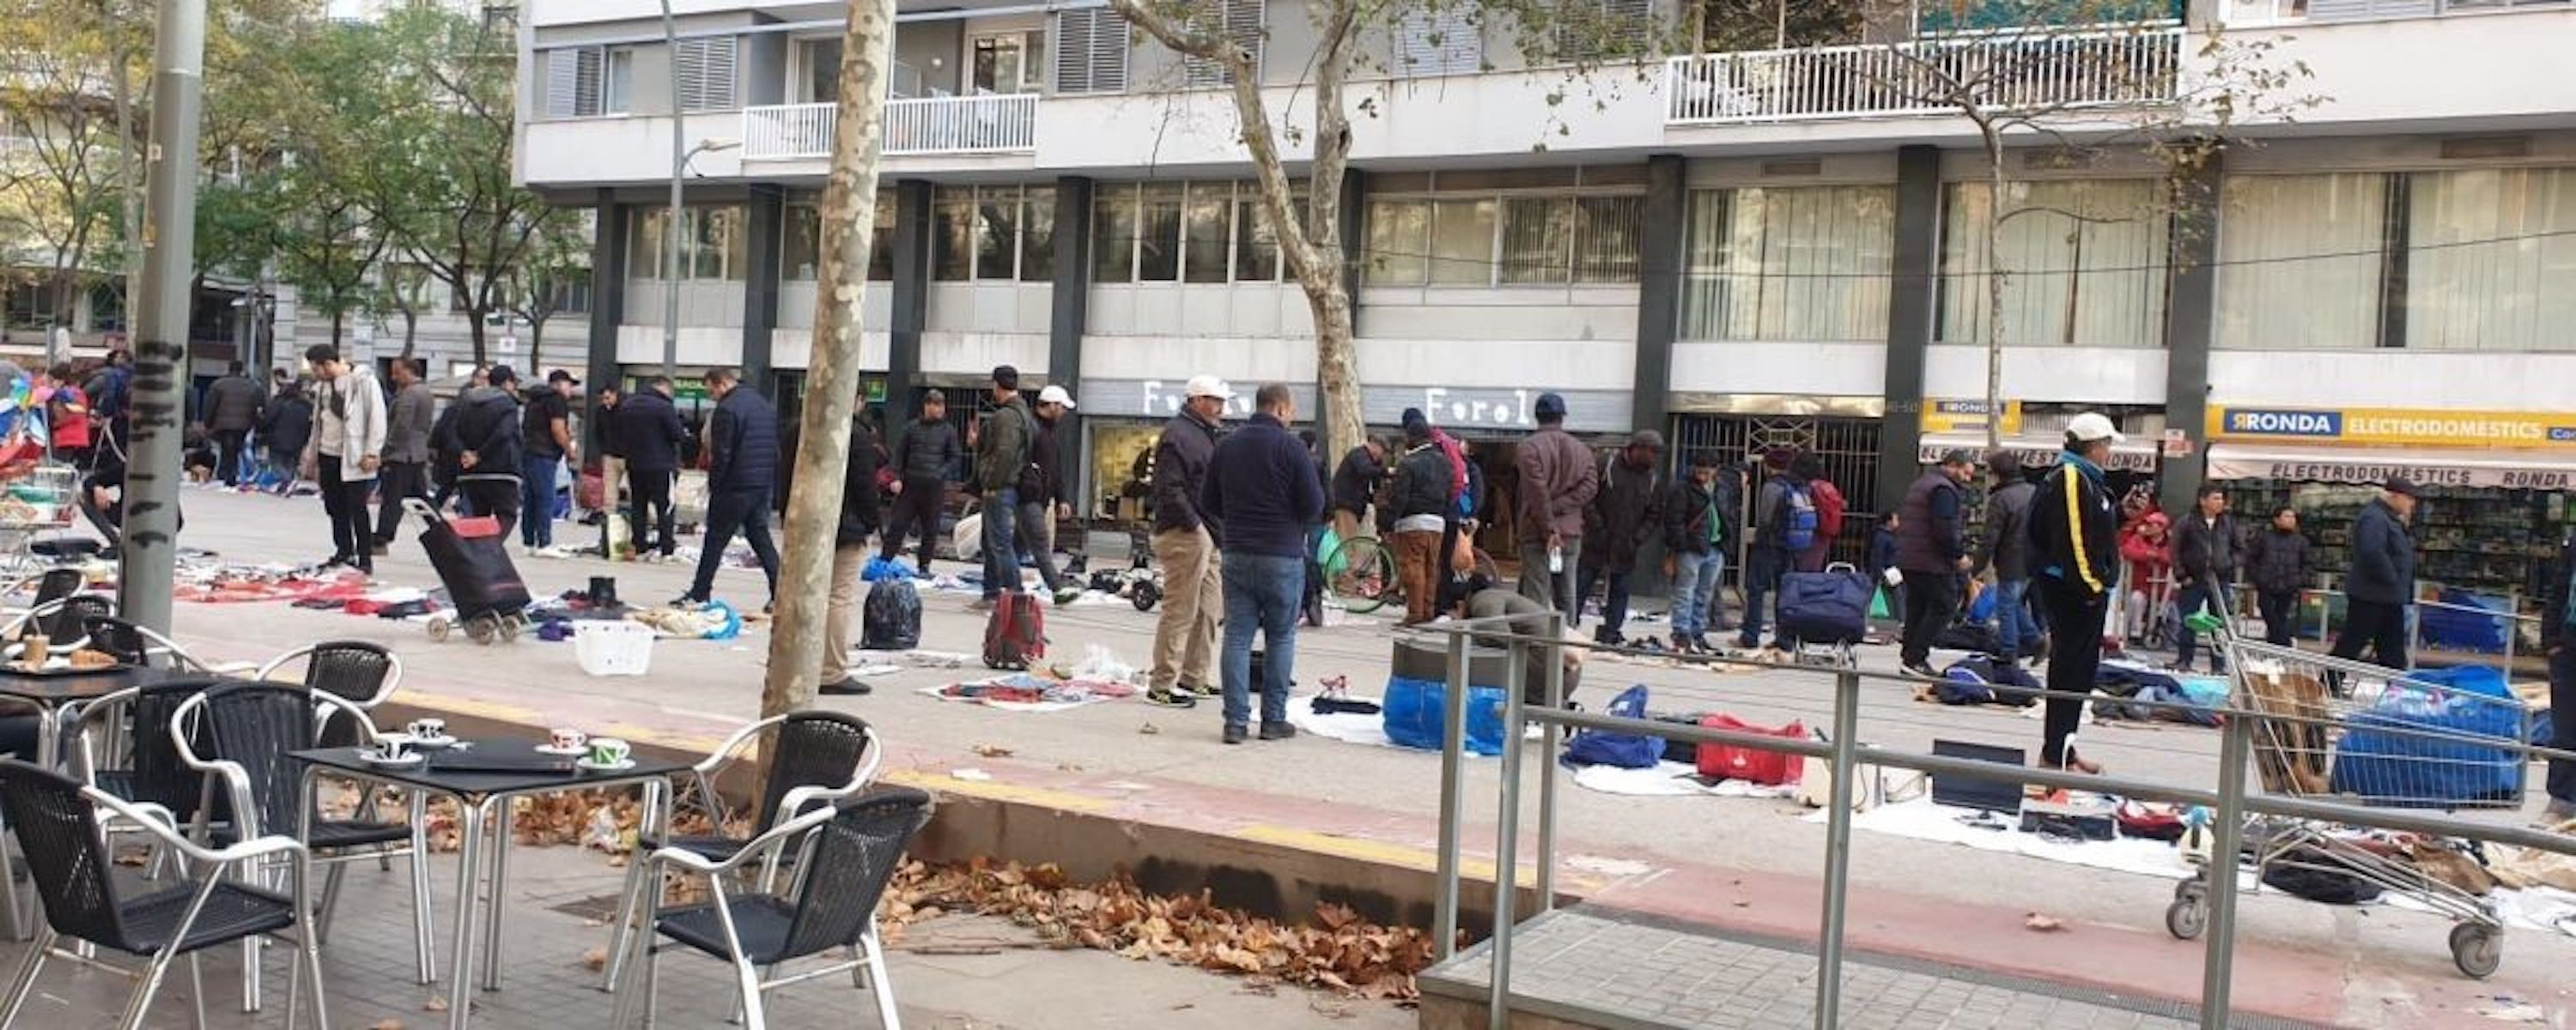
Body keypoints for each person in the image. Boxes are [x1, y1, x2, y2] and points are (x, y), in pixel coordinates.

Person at [1201, 384, 1323, 743]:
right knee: (1281, 637)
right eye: (1292, 409)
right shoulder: (1292, 448)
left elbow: (1209, 499)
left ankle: (1235, 722)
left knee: (1237, 636)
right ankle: (1273, 719)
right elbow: (1314, 504)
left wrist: (1237, 520)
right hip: (1282, 553)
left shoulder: (1227, 445)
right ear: (1281, 408)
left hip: (1237, 550)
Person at [2029, 413, 2125, 776]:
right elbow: (2072, 540)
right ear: (2095, 446)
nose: (2109, 452)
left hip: (2080, 588)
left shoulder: (2086, 479)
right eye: (2107, 445)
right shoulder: (2071, 477)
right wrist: (2090, 588)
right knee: (2070, 671)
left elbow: (2092, 532)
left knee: (2079, 673)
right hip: (2073, 591)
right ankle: (2055, 753)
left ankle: (2064, 748)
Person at [1145, 376, 1230, 707]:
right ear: (1195, 400)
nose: (1220, 407)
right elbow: (1169, 488)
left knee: (1209, 608)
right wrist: (1195, 527)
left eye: (1221, 401)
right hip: (1185, 531)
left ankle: (1194, 676)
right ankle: (1162, 683)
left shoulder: (1206, 435)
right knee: (1181, 609)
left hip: (1207, 531)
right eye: (1213, 400)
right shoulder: (1178, 435)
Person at [678, 367, 781, 609]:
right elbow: (774, 449)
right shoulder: (763, 406)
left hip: (734, 484)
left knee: (715, 540)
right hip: (761, 482)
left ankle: (700, 592)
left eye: (711, 390)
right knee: (760, 536)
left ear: (721, 383)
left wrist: (715, 484)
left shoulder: (727, 409)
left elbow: (722, 453)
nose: (711, 396)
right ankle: (780, 590)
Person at [298, 344, 386, 574]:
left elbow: (377, 417)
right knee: (334, 506)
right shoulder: (323, 387)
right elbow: (318, 422)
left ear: (328, 364)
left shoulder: (363, 381)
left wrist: (372, 451)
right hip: (328, 454)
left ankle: (365, 558)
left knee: (357, 508)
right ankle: (344, 550)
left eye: (317, 369)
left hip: (354, 456)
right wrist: (311, 454)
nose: (315, 374)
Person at [1513, 392, 1597, 615]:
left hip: (1535, 530)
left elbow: (1535, 492)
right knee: (1567, 592)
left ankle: (1537, 643)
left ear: (1537, 416)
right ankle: (1568, 642)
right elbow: (1590, 486)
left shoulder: (1528, 448)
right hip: (1570, 531)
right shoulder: (1582, 450)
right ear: (1562, 417)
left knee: (1537, 593)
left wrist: (1549, 525)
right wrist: (1561, 507)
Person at [821, 406, 885, 698]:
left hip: (806, 524)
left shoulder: (798, 427)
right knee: (838, 596)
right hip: (846, 525)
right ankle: (830, 670)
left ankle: (792, 663)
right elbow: (864, 484)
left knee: (806, 594)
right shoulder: (855, 435)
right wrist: (871, 522)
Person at [1446, 576, 1585, 707]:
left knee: (1477, 651)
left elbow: (1496, 634)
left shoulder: (1483, 599)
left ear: (1460, 604)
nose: (1454, 620)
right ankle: (1560, 707)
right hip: (1562, 672)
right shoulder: (1506, 597)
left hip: (1550, 670)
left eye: (1452, 616)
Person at [1895, 450, 1975, 676]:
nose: (1968, 479)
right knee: (1945, 604)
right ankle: (1916, 657)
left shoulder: (1923, 483)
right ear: (1952, 466)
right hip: (1931, 560)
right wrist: (1958, 556)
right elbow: (1944, 529)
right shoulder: (1943, 490)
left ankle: (1909, 657)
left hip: (1911, 557)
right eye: (1966, 473)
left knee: (1918, 607)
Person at [1578, 430, 1662, 645]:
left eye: (1657, 452)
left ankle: (1612, 631)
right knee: (1581, 585)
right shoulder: (1606, 465)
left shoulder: (1651, 478)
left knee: (1620, 590)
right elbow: (1587, 500)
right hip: (1597, 540)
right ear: (1636, 448)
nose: (1654, 457)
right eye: (1651, 451)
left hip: (1626, 545)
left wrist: (1637, 539)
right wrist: (1598, 529)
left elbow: (1654, 514)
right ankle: (1570, 627)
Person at [2330, 476, 2419, 671]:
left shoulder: (2389, 518)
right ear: (2395, 496)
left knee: (2392, 650)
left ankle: (2396, 691)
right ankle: (2328, 685)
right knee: (2352, 643)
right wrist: (2392, 578)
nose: (2412, 503)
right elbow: (2372, 551)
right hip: (2371, 595)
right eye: (2409, 498)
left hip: (2388, 597)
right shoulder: (2375, 517)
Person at [969, 366, 1035, 611]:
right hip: (1011, 485)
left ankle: (1013, 594)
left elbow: (1005, 452)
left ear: (996, 385)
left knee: (999, 543)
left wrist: (991, 483)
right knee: (992, 541)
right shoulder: (1023, 414)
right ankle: (991, 592)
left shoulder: (1006, 417)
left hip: (1001, 487)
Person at [1971, 451, 2044, 662]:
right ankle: (2034, 640)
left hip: (2011, 560)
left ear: (1997, 474)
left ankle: (2009, 651)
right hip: (2033, 560)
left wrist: (1977, 567)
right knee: (2012, 603)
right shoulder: (2034, 492)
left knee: (2005, 606)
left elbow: (1990, 538)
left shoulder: (2001, 499)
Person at [880, 390, 962, 573]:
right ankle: (885, 561)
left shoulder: (948, 431)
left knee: (931, 528)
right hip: (910, 485)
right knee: (898, 524)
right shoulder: (912, 428)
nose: (938, 409)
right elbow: (899, 454)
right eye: (934, 404)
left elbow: (955, 457)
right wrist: (895, 477)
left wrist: (940, 473)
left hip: (934, 487)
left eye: (940, 405)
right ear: (926, 406)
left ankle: (924, 565)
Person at [1386, 410, 1454, 627]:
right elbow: (1451, 491)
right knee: (1432, 569)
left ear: (1412, 438)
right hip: (1438, 522)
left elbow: (1400, 497)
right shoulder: (1445, 462)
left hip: (1412, 522)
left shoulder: (1408, 463)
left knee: (1413, 568)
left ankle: (1414, 614)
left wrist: (1390, 520)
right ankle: (1428, 611)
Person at [444, 366, 527, 534]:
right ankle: (491, 547)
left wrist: (465, 453)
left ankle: (474, 553)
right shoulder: (507, 404)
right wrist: (480, 455)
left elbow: (451, 432)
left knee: (478, 517)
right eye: (513, 384)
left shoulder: (466, 401)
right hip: (501, 469)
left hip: (471, 472)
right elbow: (504, 433)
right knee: (507, 514)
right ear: (507, 383)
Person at [1661, 451, 1726, 654]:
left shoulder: (1721, 488)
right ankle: (1681, 633)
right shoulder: (1682, 488)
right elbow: (1674, 520)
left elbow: (1727, 515)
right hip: (1690, 548)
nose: (1702, 477)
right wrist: (1680, 545)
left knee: (1704, 593)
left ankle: (1697, 632)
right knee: (1685, 591)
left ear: (1715, 471)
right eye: (1699, 472)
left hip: (1714, 546)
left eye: (1707, 473)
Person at [1739, 449, 1803, 652]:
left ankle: (1750, 636)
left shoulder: (1772, 487)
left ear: (1769, 465)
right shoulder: (1797, 486)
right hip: (1790, 546)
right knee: (1784, 594)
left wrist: (1759, 538)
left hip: (1769, 546)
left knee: (1756, 590)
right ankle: (1784, 639)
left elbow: (1765, 519)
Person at [617, 377, 687, 561]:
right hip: (661, 464)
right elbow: (677, 434)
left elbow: (619, 433)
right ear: (664, 388)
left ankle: (640, 545)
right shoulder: (664, 406)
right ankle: (666, 548)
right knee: (665, 507)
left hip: (635, 463)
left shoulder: (627, 405)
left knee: (638, 506)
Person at [2171, 485, 2239, 674]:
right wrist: (2182, 575)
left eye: (2221, 499)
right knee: (2189, 621)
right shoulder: (2187, 522)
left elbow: (2239, 548)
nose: (2220, 503)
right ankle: (2184, 659)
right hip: (2194, 578)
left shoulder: (2228, 523)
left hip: (2220, 579)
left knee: (2218, 623)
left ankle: (2218, 664)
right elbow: (2175, 550)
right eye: (2215, 498)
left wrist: (2229, 564)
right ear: (2203, 500)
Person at [1023, 385, 1081, 605]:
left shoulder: (1049, 433)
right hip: (1030, 498)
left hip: (1039, 497)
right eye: (1063, 407)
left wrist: (1061, 497)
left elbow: (1055, 469)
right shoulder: (1033, 431)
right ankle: (1057, 588)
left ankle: (1001, 583)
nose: (1065, 412)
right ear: (1053, 406)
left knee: (1016, 546)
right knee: (1040, 543)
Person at [371, 360, 434, 552]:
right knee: (422, 497)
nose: (394, 377)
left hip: (401, 454)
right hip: (417, 453)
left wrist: (386, 449)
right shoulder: (426, 392)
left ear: (409, 371)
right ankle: (441, 528)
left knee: (392, 498)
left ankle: (382, 538)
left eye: (397, 373)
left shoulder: (409, 395)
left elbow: (402, 425)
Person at [519, 369, 578, 553]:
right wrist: (569, 449)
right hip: (545, 453)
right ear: (560, 384)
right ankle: (544, 542)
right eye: (569, 385)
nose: (571, 391)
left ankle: (528, 541)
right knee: (546, 497)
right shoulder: (557, 400)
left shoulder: (534, 400)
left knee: (530, 498)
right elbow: (557, 429)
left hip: (529, 451)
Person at [2542, 529, 2576, 825]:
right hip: (2569, 648)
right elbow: (2560, 586)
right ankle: (2561, 801)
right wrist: (2551, 640)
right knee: (2565, 728)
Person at [2241, 506, 2309, 647]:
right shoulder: (2264, 538)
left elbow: (2308, 563)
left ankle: (2275, 648)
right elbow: (2250, 558)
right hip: (2267, 584)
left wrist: (2299, 579)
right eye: (2287, 516)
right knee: (2268, 613)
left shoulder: (2300, 541)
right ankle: (2284, 642)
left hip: (2288, 585)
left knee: (2281, 616)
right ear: (2276, 520)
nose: (2291, 520)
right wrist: (2258, 577)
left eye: (2293, 517)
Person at [204, 360, 264, 486]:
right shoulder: (252, 386)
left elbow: (211, 405)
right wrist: (255, 423)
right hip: (243, 424)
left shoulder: (218, 385)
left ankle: (226, 474)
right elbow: (257, 406)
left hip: (223, 424)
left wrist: (208, 423)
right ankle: (234, 474)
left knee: (226, 449)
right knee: (237, 448)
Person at [2119, 512, 2173, 644]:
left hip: (2164, 588)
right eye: (2146, 524)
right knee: (2136, 600)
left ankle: (2160, 636)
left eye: (2151, 524)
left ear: (2161, 527)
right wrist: (2146, 554)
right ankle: (2135, 634)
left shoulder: (2172, 541)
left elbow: (2174, 557)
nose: (2146, 527)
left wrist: (2158, 556)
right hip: (2141, 585)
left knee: (2170, 610)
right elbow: (2127, 550)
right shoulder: (2138, 538)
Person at [1328, 436, 1388, 548]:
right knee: (1348, 542)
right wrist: (1385, 471)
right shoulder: (1360, 455)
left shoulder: (1364, 458)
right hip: (1346, 505)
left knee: (1351, 540)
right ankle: (1349, 565)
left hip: (1352, 505)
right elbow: (1365, 470)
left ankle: (1352, 563)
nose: (1381, 456)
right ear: (1375, 446)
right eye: (1382, 452)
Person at [1792, 453, 1844, 573]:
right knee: (1813, 569)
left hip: (1806, 532)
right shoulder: (1826, 486)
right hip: (1824, 534)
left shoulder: (1805, 487)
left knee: (1799, 572)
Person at [259, 379, 312, 495]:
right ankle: (286, 485)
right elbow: (309, 424)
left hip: (277, 438)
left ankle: (287, 481)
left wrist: (262, 429)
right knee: (291, 463)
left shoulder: (278, 403)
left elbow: (268, 420)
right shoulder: (306, 405)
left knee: (276, 463)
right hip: (298, 440)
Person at [42, 363, 88, 470]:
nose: (49, 383)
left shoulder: (72, 393)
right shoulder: (61, 394)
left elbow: (76, 413)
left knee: (59, 467)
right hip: (64, 436)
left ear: (61, 380)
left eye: (51, 380)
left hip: (68, 437)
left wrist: (55, 424)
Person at [1868, 512, 1904, 627]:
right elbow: (1878, 555)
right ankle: (1902, 619)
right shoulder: (1883, 536)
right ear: (1889, 522)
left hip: (1889, 570)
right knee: (1896, 595)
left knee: (1896, 595)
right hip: (1886, 570)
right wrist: (1880, 572)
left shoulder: (1887, 535)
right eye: (1896, 519)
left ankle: (1902, 619)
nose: (1898, 522)